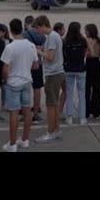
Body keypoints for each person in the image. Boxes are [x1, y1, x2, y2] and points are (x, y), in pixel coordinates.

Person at [1, 18, 38, 152]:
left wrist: (5, 80)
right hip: (27, 81)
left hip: (13, 83)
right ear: (22, 28)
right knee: (27, 111)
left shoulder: (9, 47)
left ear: (10, 31)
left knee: (14, 113)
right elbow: (35, 65)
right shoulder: (31, 45)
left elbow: (5, 69)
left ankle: (12, 144)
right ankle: (25, 140)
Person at [34, 15, 65, 143]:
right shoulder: (53, 36)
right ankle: (56, 129)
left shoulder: (52, 37)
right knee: (55, 104)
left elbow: (50, 57)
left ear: (42, 25)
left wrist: (38, 51)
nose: (37, 31)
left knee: (51, 105)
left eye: (37, 28)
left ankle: (50, 132)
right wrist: (42, 49)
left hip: (53, 74)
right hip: (56, 73)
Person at [63, 22, 88, 125]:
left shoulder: (65, 41)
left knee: (69, 93)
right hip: (80, 68)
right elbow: (86, 52)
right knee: (81, 94)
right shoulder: (82, 40)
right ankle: (82, 117)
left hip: (69, 68)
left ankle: (69, 117)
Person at [23, 15, 46, 123]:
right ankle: (36, 113)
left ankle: (25, 113)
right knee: (37, 89)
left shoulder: (24, 35)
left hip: (26, 65)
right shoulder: (41, 35)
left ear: (26, 24)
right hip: (38, 64)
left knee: (25, 90)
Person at [84, 23, 100, 120]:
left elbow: (86, 54)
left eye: (86, 30)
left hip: (89, 63)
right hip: (97, 64)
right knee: (96, 88)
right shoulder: (99, 41)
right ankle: (96, 111)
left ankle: (86, 111)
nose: (85, 32)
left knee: (87, 88)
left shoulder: (86, 41)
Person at [53, 22, 68, 116]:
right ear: (59, 30)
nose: (64, 30)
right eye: (63, 29)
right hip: (61, 68)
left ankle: (56, 110)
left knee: (56, 91)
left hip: (54, 69)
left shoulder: (52, 39)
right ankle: (59, 110)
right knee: (65, 90)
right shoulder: (61, 41)